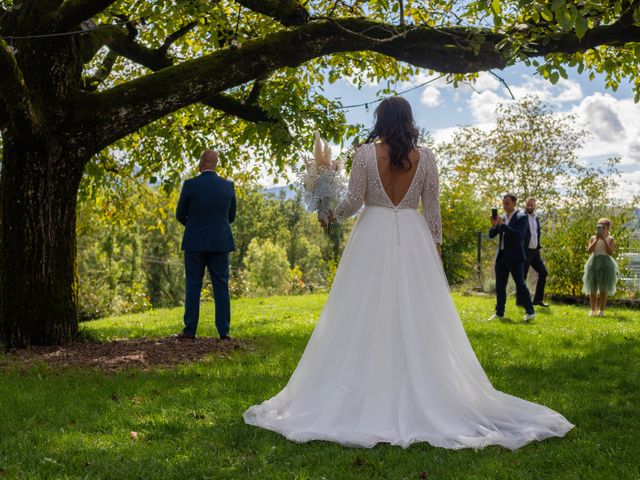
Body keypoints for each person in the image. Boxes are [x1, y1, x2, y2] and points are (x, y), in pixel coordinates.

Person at [244, 97, 573, 450]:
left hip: (371, 234)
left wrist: (330, 215)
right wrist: (435, 247)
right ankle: (422, 384)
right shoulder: (427, 158)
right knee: (420, 314)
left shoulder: (365, 155)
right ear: (409, 121)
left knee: (362, 310)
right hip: (415, 236)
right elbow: (432, 208)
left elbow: (354, 201)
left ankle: (363, 386)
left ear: (380, 120)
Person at [175, 149, 236, 340]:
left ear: (201, 163)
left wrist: (194, 226)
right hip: (220, 242)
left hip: (195, 242)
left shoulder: (190, 185)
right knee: (221, 287)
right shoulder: (228, 186)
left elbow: (180, 214)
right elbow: (231, 216)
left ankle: (189, 330)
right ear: (216, 163)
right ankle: (224, 332)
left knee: (193, 285)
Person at [489, 194, 536, 322]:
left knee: (520, 285)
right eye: (503, 203)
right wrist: (494, 225)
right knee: (500, 286)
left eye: (507, 203)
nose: (505, 206)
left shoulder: (522, 217)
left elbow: (518, 236)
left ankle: (530, 312)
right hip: (502, 256)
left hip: (515, 256)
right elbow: (491, 235)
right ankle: (499, 313)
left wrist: (502, 225)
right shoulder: (502, 218)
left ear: (514, 203)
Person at [583, 218, 618, 317]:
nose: (601, 229)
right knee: (592, 288)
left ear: (608, 228)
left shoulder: (611, 239)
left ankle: (601, 310)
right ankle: (593, 310)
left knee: (603, 288)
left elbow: (610, 252)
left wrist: (604, 240)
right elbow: (589, 250)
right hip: (593, 262)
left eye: (604, 228)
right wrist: (598, 239)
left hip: (605, 264)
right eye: (599, 227)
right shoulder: (593, 238)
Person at [523, 197, 549, 307]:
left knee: (543, 273)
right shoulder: (522, 217)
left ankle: (538, 300)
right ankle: (521, 302)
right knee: (522, 276)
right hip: (525, 251)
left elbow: (536, 233)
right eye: (528, 205)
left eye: (531, 205)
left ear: (535, 206)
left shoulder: (536, 218)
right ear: (525, 205)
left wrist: (538, 247)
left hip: (535, 252)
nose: (529, 207)